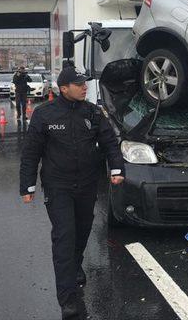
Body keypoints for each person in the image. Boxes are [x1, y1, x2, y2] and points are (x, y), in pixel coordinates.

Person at [19, 67, 125, 318]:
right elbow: (31, 151)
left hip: (87, 185)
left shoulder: (93, 113)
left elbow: (110, 142)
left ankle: (75, 266)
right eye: (79, 84)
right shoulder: (44, 114)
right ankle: (67, 299)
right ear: (63, 88)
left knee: (82, 231)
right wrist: (27, 185)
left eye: (85, 83)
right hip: (58, 187)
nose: (85, 87)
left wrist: (117, 168)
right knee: (64, 237)